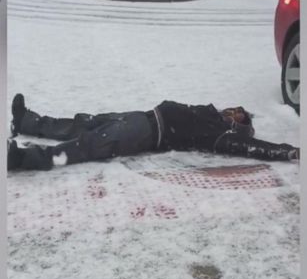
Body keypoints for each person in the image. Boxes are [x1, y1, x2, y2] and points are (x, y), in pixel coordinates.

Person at [7, 93, 299, 171]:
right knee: (82, 123)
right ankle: (27, 122)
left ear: (238, 126)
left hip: (146, 132)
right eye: (238, 108)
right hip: (140, 117)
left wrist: (286, 150)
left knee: (86, 144)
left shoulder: (219, 135)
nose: (235, 111)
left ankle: (23, 159)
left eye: (240, 116)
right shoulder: (211, 113)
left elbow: (253, 146)